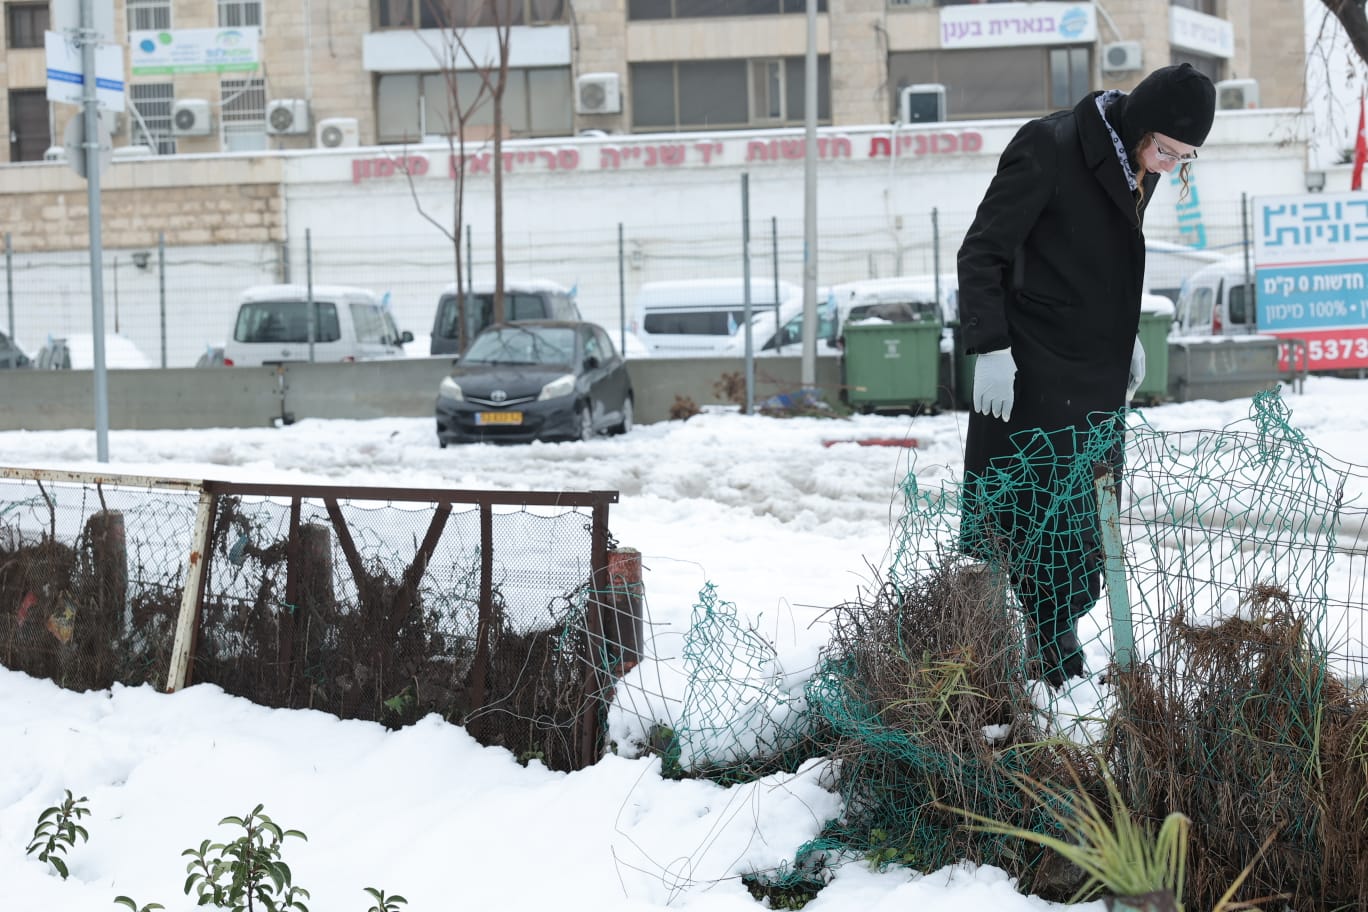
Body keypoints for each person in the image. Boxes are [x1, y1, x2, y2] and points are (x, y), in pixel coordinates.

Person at [956, 63, 1216, 688]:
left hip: (1095, 374)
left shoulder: (1134, 162)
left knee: (1084, 521)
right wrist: (990, 348)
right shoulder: (1048, 147)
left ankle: (1054, 651)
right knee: (1031, 518)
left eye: (1183, 158)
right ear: (1139, 125)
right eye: (1165, 150)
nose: (1167, 166)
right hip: (1033, 371)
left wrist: (1126, 340)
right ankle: (1032, 660)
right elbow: (982, 252)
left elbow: (1104, 261)